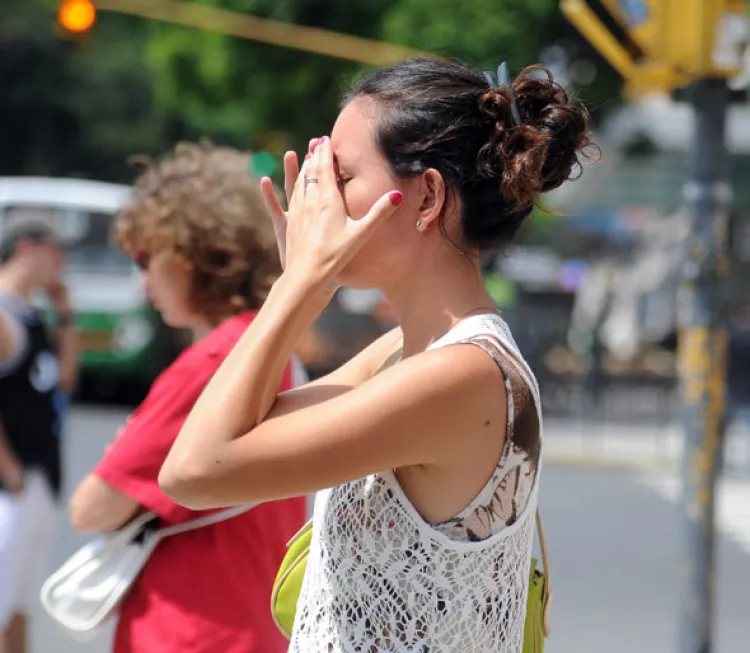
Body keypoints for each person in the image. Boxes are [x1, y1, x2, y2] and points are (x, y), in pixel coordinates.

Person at [160, 60, 594, 652]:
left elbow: (194, 472)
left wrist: (298, 286)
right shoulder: (403, 353)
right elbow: (239, 430)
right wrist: (304, 286)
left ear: (428, 196)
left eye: (340, 177)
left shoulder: (461, 374)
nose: (318, 201)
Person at [68, 142, 307, 653]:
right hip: (253, 618)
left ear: (191, 254)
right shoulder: (271, 345)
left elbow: (91, 509)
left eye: (145, 256)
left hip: (188, 627)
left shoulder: (212, 363)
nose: (142, 277)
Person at [0, 222, 78, 653]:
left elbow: (63, 380)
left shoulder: (30, 313)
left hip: (38, 476)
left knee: (18, 605)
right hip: (13, 482)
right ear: (26, 248)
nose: (62, 264)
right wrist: (9, 471)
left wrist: (64, 315)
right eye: (56, 251)